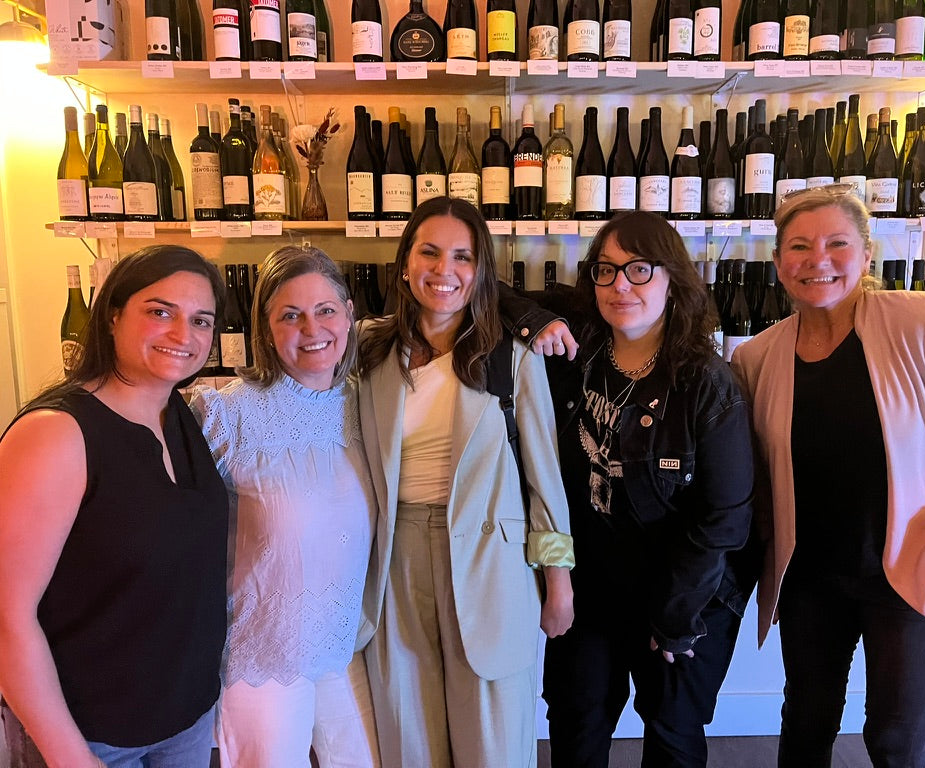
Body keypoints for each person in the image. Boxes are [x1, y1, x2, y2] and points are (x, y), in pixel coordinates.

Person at [730, 184, 925, 768]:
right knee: (805, 724)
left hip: (912, 569)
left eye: (837, 243)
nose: (819, 260)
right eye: (799, 247)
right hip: (812, 576)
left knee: (893, 737)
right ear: (778, 265)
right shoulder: (757, 357)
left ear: (867, 254)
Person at [516, 211, 756, 768]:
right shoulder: (579, 356)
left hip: (681, 596)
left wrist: (675, 619)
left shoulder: (706, 384)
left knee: (672, 734)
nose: (620, 285)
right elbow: (491, 293)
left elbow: (724, 519)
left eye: (639, 269)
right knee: (576, 726)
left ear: (673, 277)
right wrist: (533, 321)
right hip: (589, 590)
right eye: (606, 270)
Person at [356, 196, 575, 768]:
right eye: (429, 252)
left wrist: (560, 582)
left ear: (481, 272)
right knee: (410, 734)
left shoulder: (512, 354)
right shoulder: (371, 350)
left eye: (463, 257)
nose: (444, 270)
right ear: (405, 262)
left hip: (491, 561)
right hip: (395, 561)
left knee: (493, 738)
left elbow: (544, 479)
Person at [0, 245, 228, 768]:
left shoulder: (178, 414)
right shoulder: (55, 434)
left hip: (186, 722)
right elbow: (7, 615)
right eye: (159, 311)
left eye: (200, 320)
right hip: (90, 737)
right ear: (111, 316)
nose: (182, 335)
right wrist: (70, 758)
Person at [190, 246, 380, 768]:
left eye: (325, 310)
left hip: (348, 646)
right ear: (265, 329)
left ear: (348, 315)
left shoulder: (368, 405)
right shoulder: (225, 411)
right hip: (264, 655)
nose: (312, 328)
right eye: (290, 315)